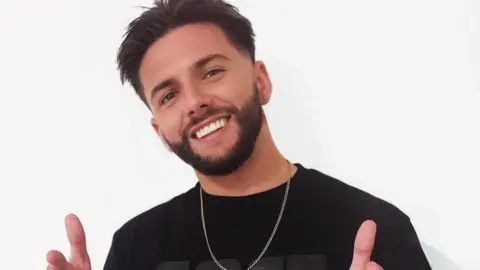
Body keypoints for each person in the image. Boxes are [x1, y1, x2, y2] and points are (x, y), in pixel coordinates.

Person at [46, 0, 432, 269]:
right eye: (169, 95)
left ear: (260, 82)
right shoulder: (136, 246)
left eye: (212, 72)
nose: (195, 102)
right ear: (159, 131)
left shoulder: (373, 227)